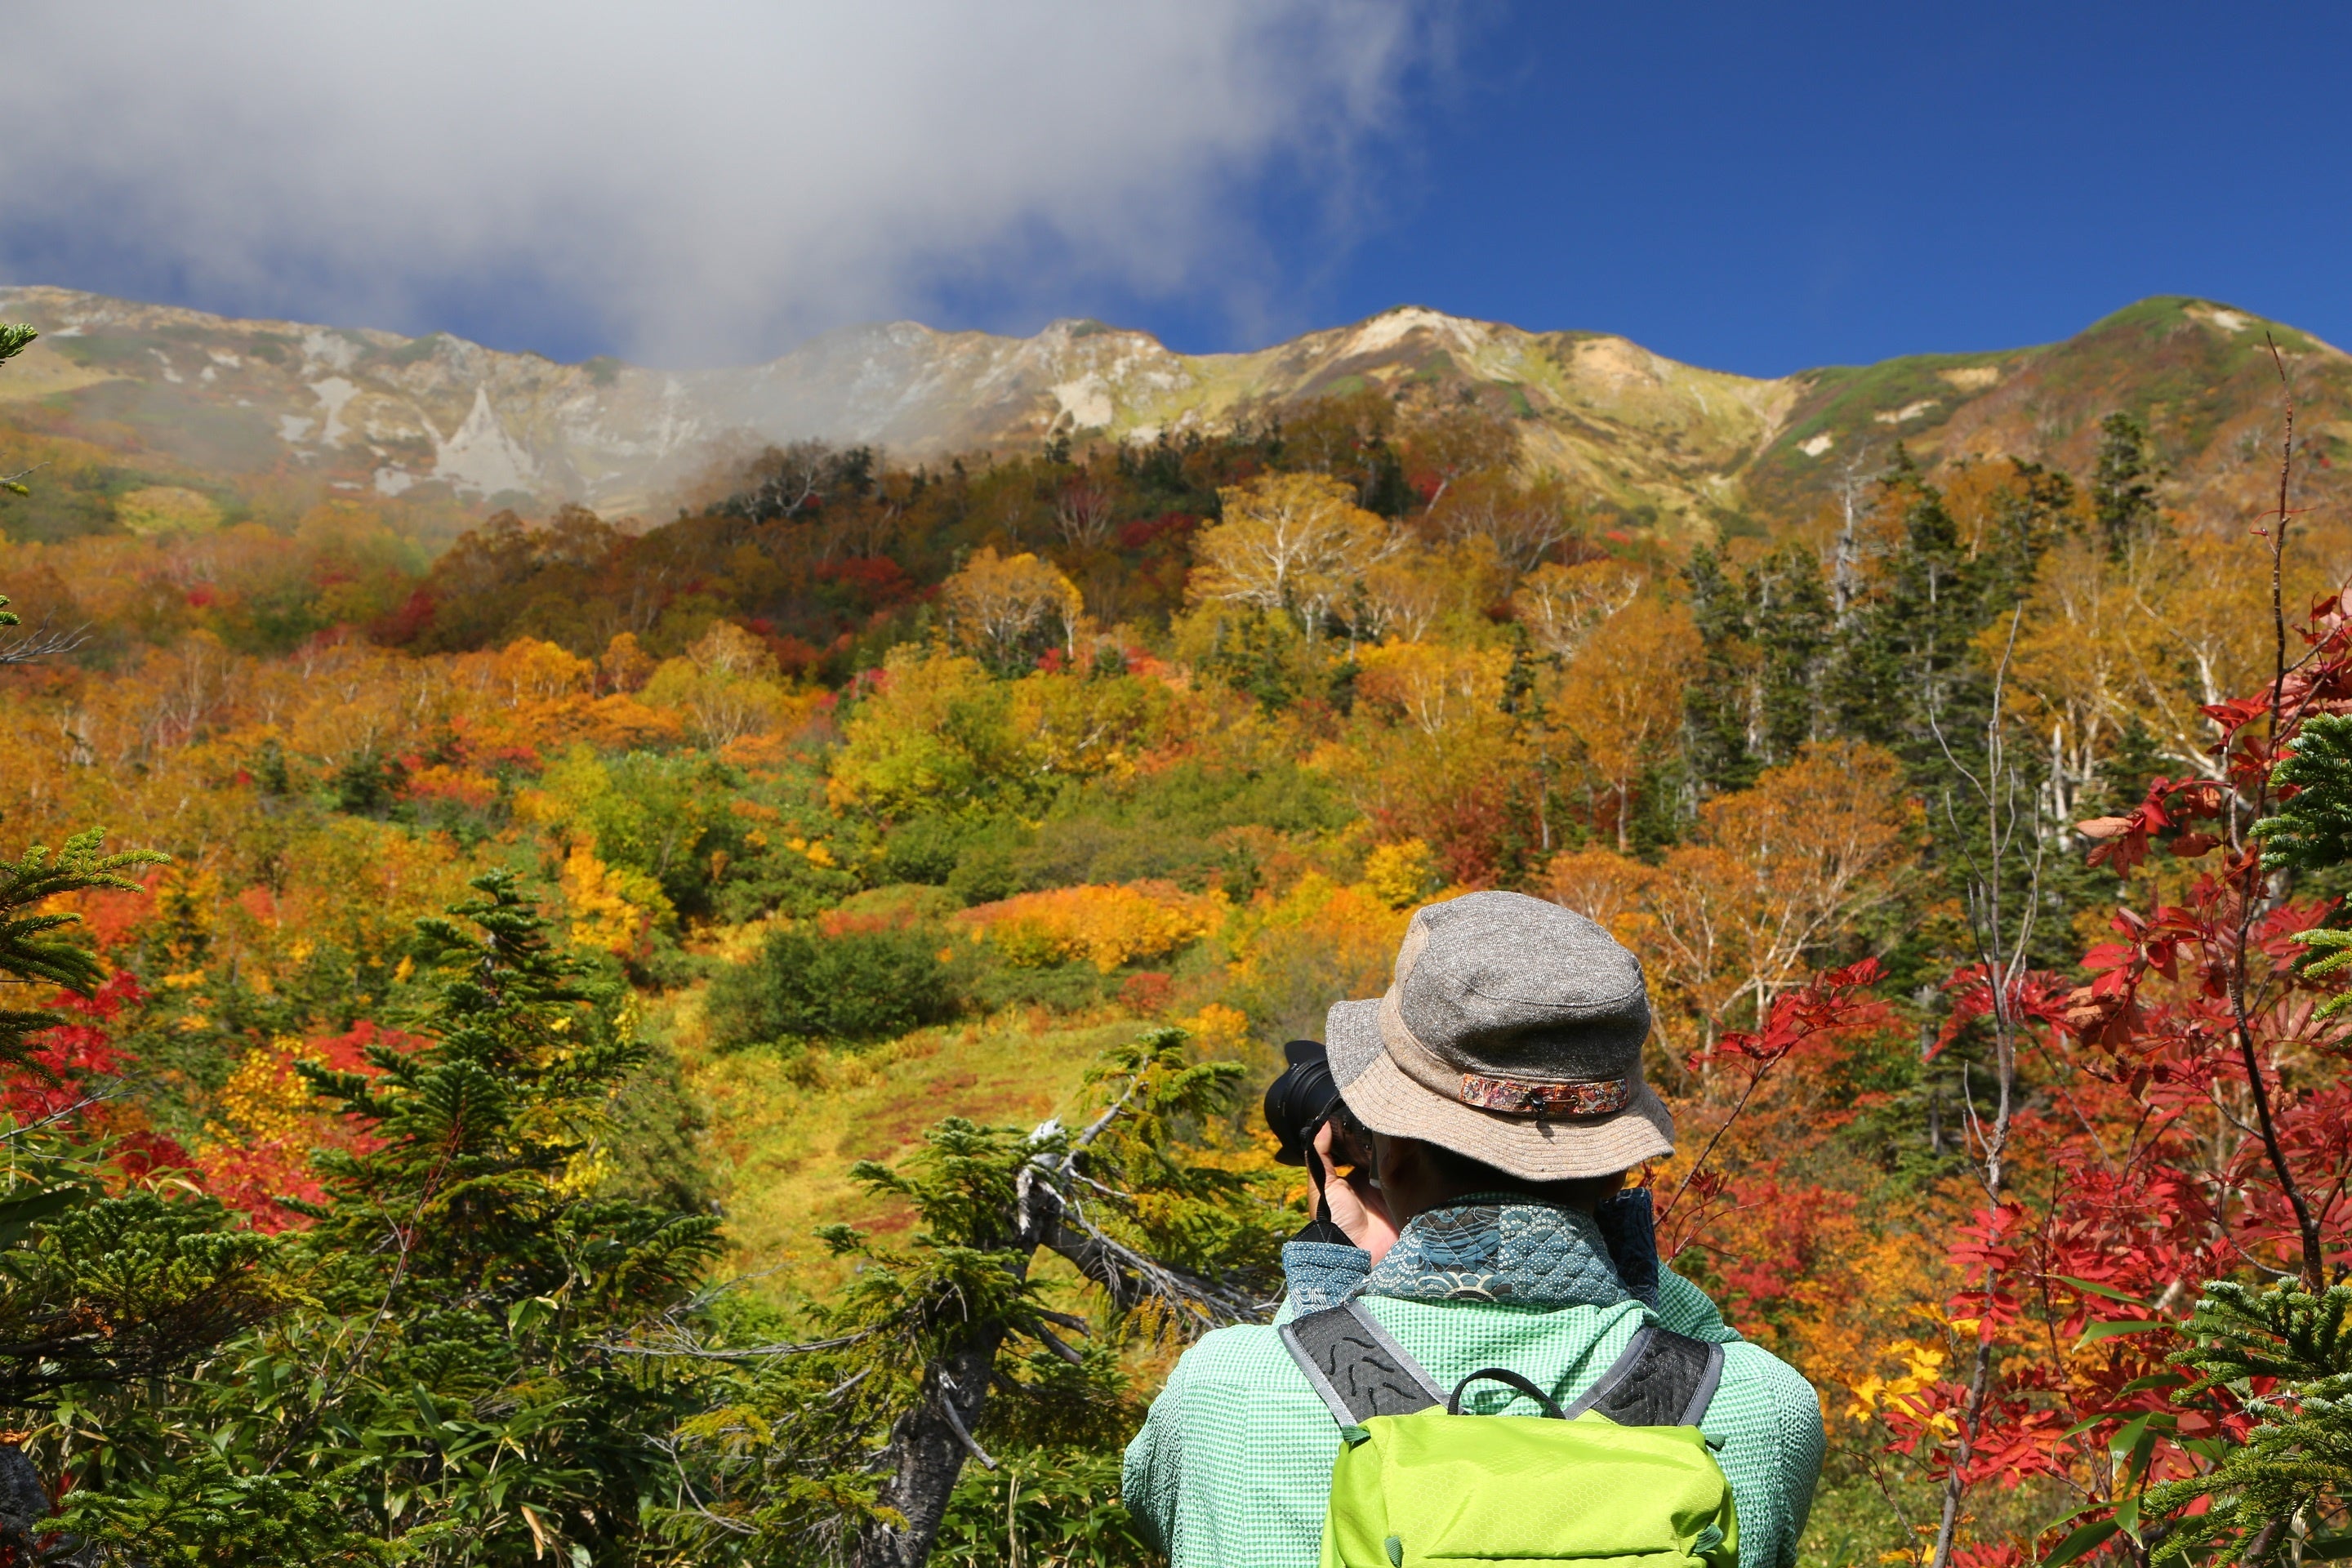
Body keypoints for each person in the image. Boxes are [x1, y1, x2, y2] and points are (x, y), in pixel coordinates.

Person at [1122, 890, 1825, 1567]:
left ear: (1383, 1148)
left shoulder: (1231, 1395)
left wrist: (1330, 1283)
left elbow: (1162, 1503)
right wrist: (1627, 1257)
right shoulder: (1762, 1410)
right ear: (1618, 1166)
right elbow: (1693, 1343)